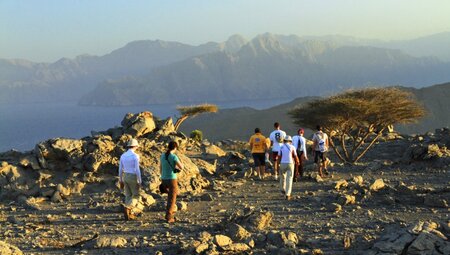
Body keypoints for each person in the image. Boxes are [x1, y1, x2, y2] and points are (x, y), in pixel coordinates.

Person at [160, 141, 184, 223]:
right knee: (172, 197)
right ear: (175, 148)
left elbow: (160, 168)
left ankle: (170, 211)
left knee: (169, 196)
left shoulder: (162, 156)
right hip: (172, 179)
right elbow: (181, 167)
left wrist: (162, 177)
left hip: (163, 178)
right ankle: (169, 216)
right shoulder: (174, 157)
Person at [118, 138, 142, 220]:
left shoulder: (123, 155)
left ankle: (129, 214)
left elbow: (120, 169)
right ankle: (128, 207)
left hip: (125, 176)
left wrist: (120, 180)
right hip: (133, 176)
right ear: (135, 146)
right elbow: (137, 169)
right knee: (136, 195)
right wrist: (139, 180)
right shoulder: (135, 156)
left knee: (128, 195)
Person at [277, 136, 299, 200]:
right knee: (289, 179)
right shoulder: (292, 147)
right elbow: (295, 156)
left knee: (282, 177)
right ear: (290, 141)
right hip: (290, 163)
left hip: (282, 163)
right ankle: (287, 194)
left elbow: (279, 157)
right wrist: (297, 162)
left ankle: (282, 189)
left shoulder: (281, 147)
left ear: (284, 140)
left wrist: (278, 165)